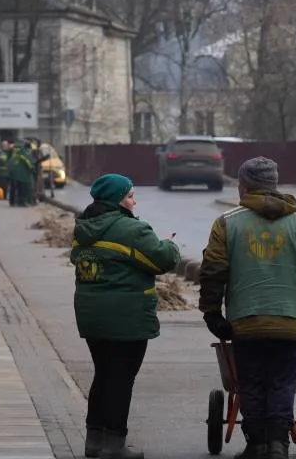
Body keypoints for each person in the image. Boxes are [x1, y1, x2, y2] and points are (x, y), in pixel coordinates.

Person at [199, 157, 296, 459]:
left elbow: (213, 271)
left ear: (243, 186)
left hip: (245, 321)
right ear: (273, 184)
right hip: (291, 321)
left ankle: (257, 444)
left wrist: (212, 312)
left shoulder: (227, 222)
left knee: (251, 382)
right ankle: (278, 445)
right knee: (283, 382)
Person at [72, 173, 182, 459]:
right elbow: (162, 260)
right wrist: (169, 244)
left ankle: (94, 440)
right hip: (126, 316)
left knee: (104, 374)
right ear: (118, 199)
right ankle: (114, 444)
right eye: (131, 195)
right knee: (121, 379)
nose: (135, 201)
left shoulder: (84, 228)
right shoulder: (130, 229)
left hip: (90, 315)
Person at [8, 137, 37, 207]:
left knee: (13, 187)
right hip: (21, 172)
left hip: (12, 170)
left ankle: (12, 202)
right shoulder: (22, 150)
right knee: (22, 188)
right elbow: (27, 160)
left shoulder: (14, 149)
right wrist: (32, 168)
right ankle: (22, 202)